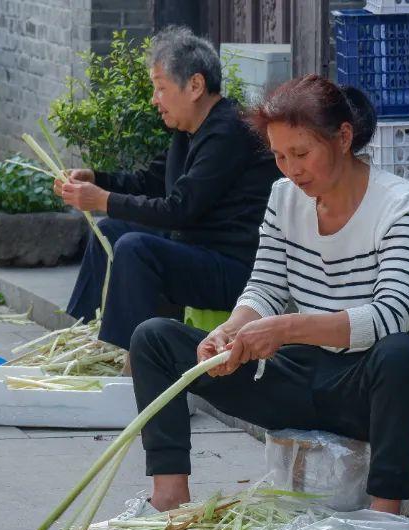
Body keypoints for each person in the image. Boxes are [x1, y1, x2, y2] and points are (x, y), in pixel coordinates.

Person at [126, 75, 409, 516]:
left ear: (344, 138)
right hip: (300, 377)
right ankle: (169, 497)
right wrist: (233, 329)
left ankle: (385, 515)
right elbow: (266, 286)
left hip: (369, 392)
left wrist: (287, 329)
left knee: (400, 353)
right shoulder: (283, 197)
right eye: (279, 156)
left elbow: (389, 316)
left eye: (301, 153)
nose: (291, 169)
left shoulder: (403, 208)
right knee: (154, 338)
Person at [55, 26, 279, 350]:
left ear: (195, 85)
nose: (154, 99)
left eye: (160, 88)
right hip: (197, 248)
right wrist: (96, 179)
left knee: (135, 249)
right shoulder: (189, 131)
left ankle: (122, 358)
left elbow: (180, 209)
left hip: (233, 268)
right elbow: (149, 182)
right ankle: (78, 335)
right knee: (111, 231)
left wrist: (103, 200)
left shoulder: (227, 133)